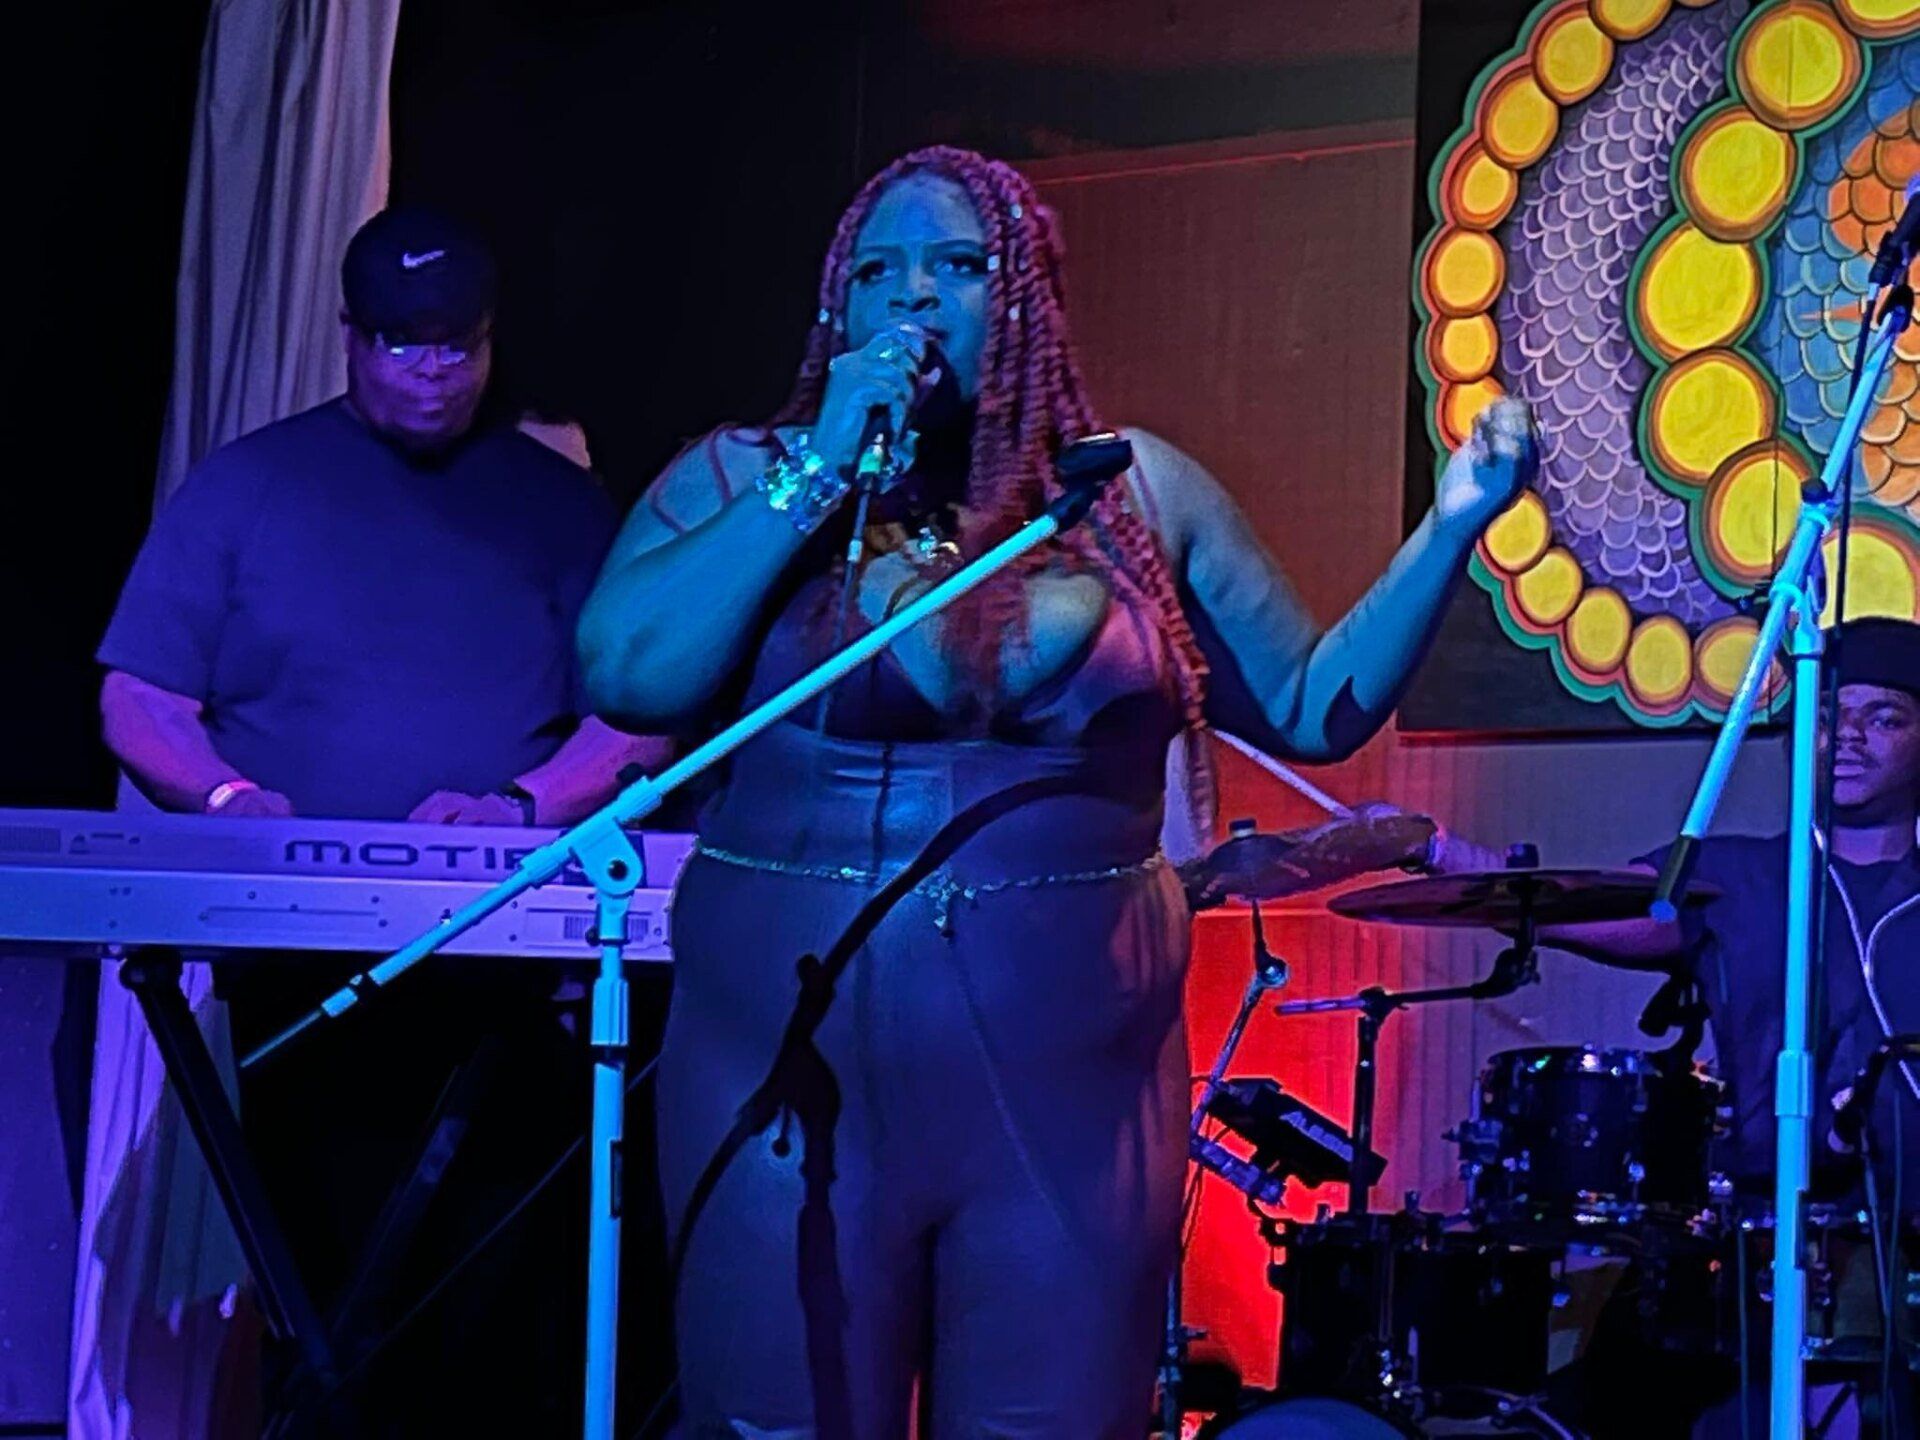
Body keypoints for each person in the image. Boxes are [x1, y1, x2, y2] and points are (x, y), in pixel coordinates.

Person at [577, 145, 1537, 1438]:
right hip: (786, 1082)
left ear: (1025, 299)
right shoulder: (743, 479)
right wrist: (817, 466)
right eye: (876, 273)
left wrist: (1454, 524)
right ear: (837, 312)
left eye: (960, 267)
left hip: (1070, 1103)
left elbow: (1315, 705)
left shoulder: (1130, 497)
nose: (912, 300)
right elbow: (630, 673)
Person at [92, 206, 668, 1432]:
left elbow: (644, 713)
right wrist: (237, 806)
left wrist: (523, 807)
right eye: (403, 345)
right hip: (299, 962)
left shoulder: (558, 506)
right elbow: (137, 700)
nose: (433, 371)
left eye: (458, 346)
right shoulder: (250, 485)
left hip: (507, 967)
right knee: (329, 1262)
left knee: (489, 1296)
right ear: (350, 338)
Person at [1489, 617, 1920, 1438]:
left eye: (1885, 717)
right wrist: (1436, 852)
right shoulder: (1740, 874)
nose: (1848, 737)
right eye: (1828, 715)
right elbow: (1575, 904)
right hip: (1758, 1253)